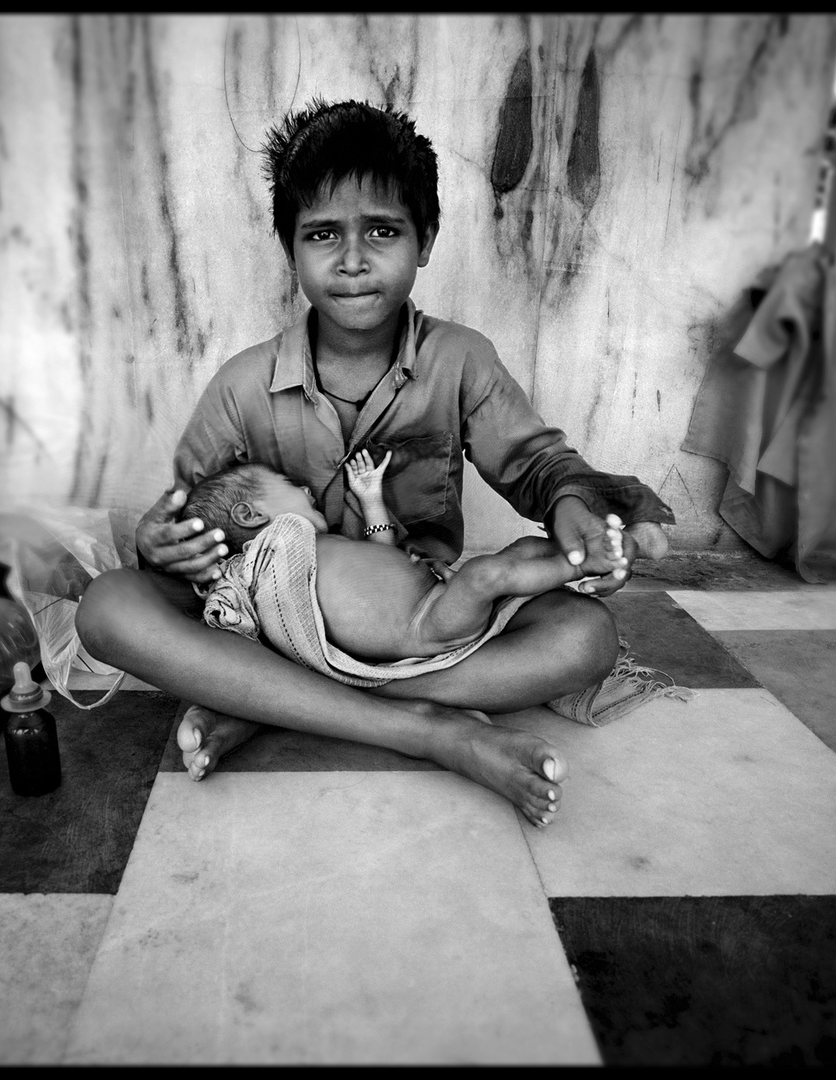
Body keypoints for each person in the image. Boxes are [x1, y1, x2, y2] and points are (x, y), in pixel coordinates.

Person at [76, 99, 675, 829]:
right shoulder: (241, 385)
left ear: (425, 241)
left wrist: (572, 506)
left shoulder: (460, 359)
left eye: (382, 231)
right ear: (291, 249)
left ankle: (267, 701)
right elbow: (188, 519)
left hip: (414, 611)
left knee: (586, 638)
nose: (353, 259)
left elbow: (537, 464)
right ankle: (429, 729)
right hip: (270, 622)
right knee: (110, 607)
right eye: (323, 234)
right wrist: (156, 543)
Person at [182, 451, 629, 663]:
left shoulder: (313, 547)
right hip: (425, 626)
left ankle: (584, 547)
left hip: (434, 597)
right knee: (482, 575)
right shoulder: (265, 564)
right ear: (249, 513)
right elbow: (235, 612)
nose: (304, 489)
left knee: (523, 550)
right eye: (285, 482)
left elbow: (383, 556)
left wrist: (371, 500)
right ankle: (578, 563)